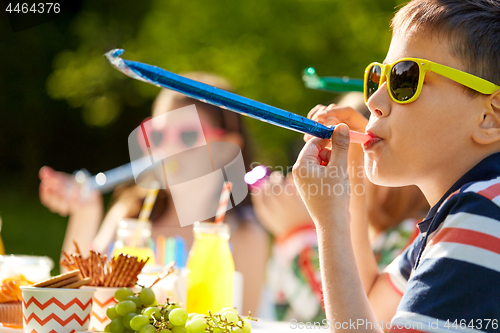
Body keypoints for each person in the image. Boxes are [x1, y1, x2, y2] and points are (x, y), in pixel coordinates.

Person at [293, 0, 500, 331]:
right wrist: (352, 178)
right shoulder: (473, 206)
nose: (373, 102)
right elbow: (371, 307)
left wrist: (330, 223)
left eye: (405, 78)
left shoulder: (482, 213)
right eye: (379, 77)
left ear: (490, 117)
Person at [39, 72, 269, 315]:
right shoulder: (129, 214)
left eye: (187, 135)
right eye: (157, 135)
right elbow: (72, 300)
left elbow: (241, 322)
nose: (167, 148)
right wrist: (85, 213)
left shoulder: (244, 235)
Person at [251, 92, 427, 322]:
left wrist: (297, 235)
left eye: (348, 154)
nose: (334, 168)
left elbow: (343, 316)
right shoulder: (371, 236)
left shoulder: (412, 235)